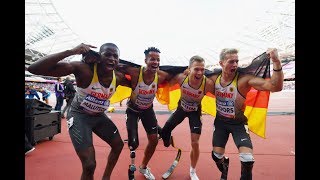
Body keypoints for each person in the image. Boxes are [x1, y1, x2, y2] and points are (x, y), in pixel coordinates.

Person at [27, 43, 131, 180]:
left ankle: (106, 178)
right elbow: (33, 68)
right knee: (89, 165)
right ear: (99, 57)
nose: (112, 59)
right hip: (79, 116)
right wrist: (71, 51)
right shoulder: (83, 69)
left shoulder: (118, 77)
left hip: (99, 116)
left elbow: (141, 81)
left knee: (118, 145)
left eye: (115, 56)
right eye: (107, 54)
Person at [207, 48, 283, 180]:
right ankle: (224, 166)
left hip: (238, 123)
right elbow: (194, 79)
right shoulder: (214, 78)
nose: (235, 65)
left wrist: (276, 61)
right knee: (216, 156)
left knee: (247, 160)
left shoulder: (244, 79)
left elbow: (276, 87)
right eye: (231, 61)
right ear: (221, 63)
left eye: (237, 61)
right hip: (221, 123)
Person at [116, 47, 179, 179]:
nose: (155, 62)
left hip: (147, 111)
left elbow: (177, 72)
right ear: (145, 60)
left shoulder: (161, 75)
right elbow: (116, 64)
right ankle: (131, 168)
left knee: (154, 140)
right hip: (132, 110)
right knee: (133, 143)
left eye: (158, 60)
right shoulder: (134, 72)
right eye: (152, 59)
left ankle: (144, 167)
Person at [161, 55, 215, 180]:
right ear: (189, 69)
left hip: (195, 113)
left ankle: (193, 170)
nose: (200, 72)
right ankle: (166, 138)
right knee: (165, 131)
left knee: (195, 143)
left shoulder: (207, 83)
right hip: (181, 110)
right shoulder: (181, 78)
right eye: (196, 69)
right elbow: (165, 80)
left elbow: (221, 90)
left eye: (202, 69)